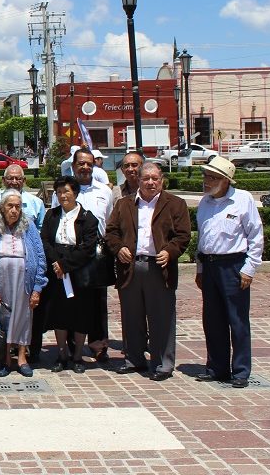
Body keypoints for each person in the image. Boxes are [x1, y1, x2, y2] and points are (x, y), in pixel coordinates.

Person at [105, 163, 192, 380]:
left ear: (161, 180)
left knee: (161, 317)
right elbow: (111, 232)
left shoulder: (175, 204)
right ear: (139, 181)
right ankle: (134, 359)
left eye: (155, 178)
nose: (150, 183)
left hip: (159, 267)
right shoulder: (124, 204)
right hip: (131, 267)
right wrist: (119, 248)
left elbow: (183, 235)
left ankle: (163, 363)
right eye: (146, 179)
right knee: (131, 316)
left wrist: (171, 252)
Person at [195, 156, 263, 388]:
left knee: (237, 320)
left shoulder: (243, 200)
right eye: (205, 176)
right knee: (212, 320)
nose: (206, 181)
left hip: (234, 265)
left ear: (225, 180)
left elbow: (255, 236)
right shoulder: (205, 203)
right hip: (210, 265)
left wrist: (249, 269)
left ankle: (241, 370)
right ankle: (217, 367)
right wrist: (200, 268)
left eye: (211, 177)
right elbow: (202, 239)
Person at [51, 148, 115, 364]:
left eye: (90, 163)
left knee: (97, 302)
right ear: (74, 165)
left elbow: (109, 222)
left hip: (95, 255)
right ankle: (69, 346)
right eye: (81, 163)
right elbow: (55, 221)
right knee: (69, 300)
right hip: (67, 255)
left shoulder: (104, 191)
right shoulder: (61, 191)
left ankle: (99, 345)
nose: (86, 167)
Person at [0, 190, 47, 377]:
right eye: (10, 206)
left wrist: (38, 288)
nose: (14, 210)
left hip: (24, 279)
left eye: (18, 206)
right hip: (1, 278)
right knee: (3, 318)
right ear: (2, 207)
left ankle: (22, 358)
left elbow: (40, 257)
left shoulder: (29, 227)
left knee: (24, 317)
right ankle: (6, 359)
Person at [38, 176, 99, 373]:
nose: (63, 195)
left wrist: (66, 264)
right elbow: (45, 240)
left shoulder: (88, 218)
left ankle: (78, 355)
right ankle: (62, 354)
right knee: (59, 313)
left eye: (66, 191)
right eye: (59, 192)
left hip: (78, 271)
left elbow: (88, 248)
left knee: (80, 313)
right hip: (56, 271)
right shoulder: (52, 215)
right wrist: (56, 263)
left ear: (75, 193)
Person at [0, 164, 44, 230]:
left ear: (24, 181)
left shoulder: (36, 203)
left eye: (18, 179)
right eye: (10, 178)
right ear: (3, 180)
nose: (14, 182)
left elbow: (41, 230)